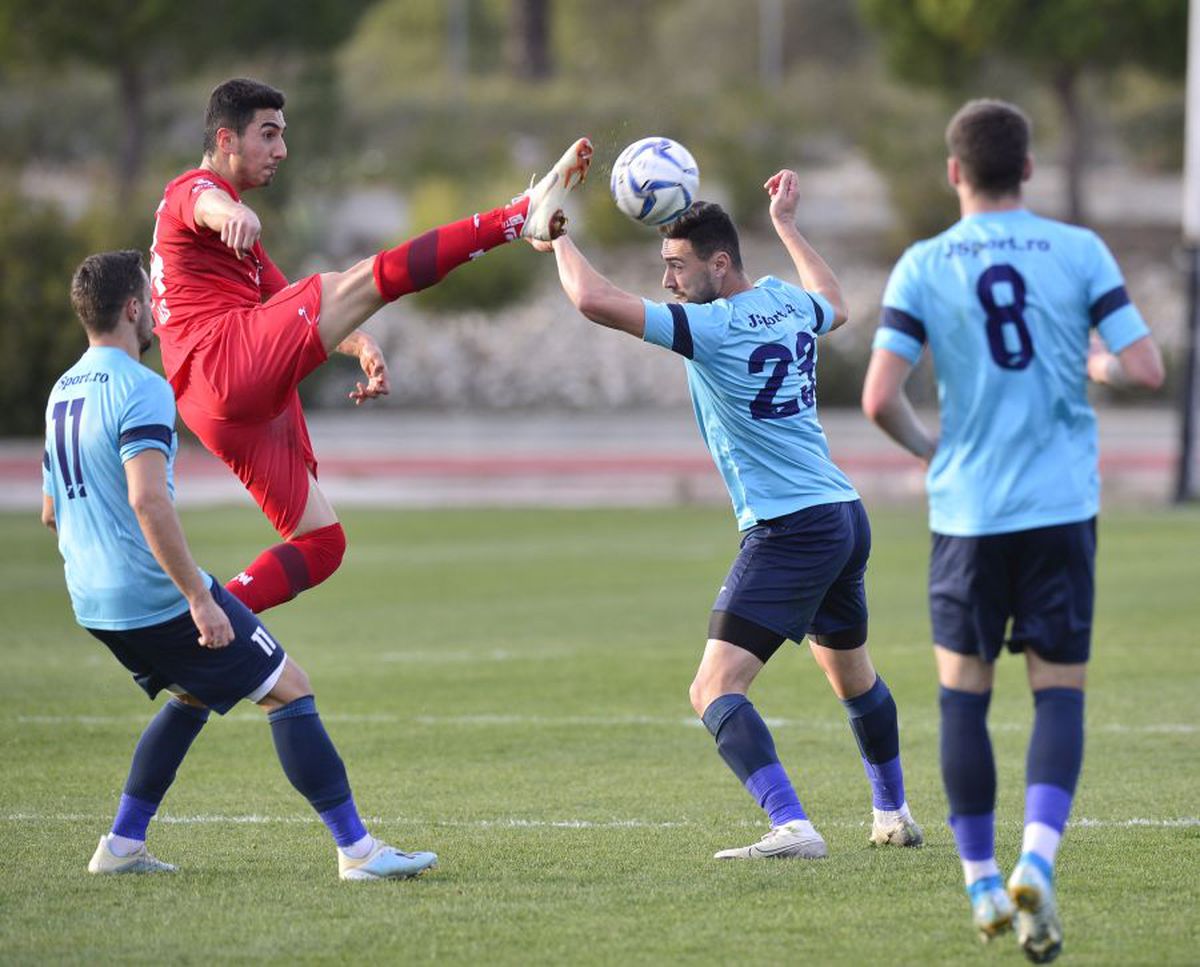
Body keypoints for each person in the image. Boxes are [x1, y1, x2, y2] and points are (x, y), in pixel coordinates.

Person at [531, 175, 923, 859]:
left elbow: (594, 300)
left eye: (677, 266)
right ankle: (893, 811)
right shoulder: (783, 302)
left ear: (718, 264)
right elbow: (837, 302)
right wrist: (789, 226)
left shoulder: (710, 328)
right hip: (841, 514)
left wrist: (557, 236)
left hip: (788, 526)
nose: (667, 279)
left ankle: (792, 824)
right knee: (853, 677)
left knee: (712, 687)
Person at [862, 99, 1164, 961]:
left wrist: (932, 453)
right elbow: (1146, 366)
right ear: (1027, 169)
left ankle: (981, 878)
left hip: (968, 513)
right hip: (1061, 509)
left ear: (954, 172)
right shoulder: (1079, 250)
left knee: (965, 697)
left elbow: (880, 396)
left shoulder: (924, 264)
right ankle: (1038, 856)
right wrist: (1097, 361)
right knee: (1057, 693)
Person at [43, 249, 438, 881]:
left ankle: (120, 845)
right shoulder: (143, 387)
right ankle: (358, 853)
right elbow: (147, 500)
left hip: (91, 601)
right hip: (153, 598)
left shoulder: (62, 391)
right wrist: (198, 597)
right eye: (153, 303)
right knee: (290, 689)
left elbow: (51, 511)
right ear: (134, 309)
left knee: (195, 692)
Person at [150, 77, 592, 613]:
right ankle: (518, 217)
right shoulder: (192, 191)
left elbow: (284, 298)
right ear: (226, 140)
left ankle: (200, 621)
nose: (281, 150)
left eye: (281, 135)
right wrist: (233, 213)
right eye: (267, 135)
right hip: (223, 364)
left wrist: (355, 341)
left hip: (214, 404)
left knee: (320, 544)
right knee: (373, 276)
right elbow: (208, 206)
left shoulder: (230, 233)